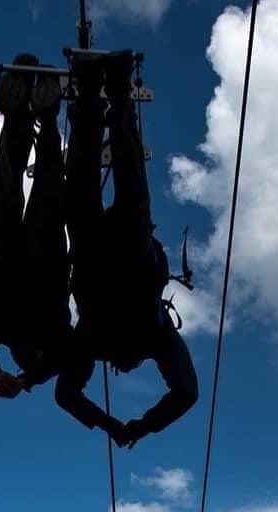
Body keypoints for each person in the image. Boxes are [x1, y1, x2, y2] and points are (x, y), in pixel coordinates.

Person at [55, 50, 199, 447]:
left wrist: (131, 425)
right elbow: (65, 395)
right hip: (98, 261)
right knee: (82, 183)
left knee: (129, 177)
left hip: (130, 259)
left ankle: (113, 91)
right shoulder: (100, 342)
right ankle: (91, 91)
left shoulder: (154, 337)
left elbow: (187, 393)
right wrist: (126, 426)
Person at [0, 56, 72, 401]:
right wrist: (3, 376)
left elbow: (63, 358)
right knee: (9, 186)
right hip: (12, 255)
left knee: (44, 188)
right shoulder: (5, 331)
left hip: (38, 256)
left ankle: (41, 118)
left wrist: (19, 379)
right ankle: (22, 118)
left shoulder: (50, 334)